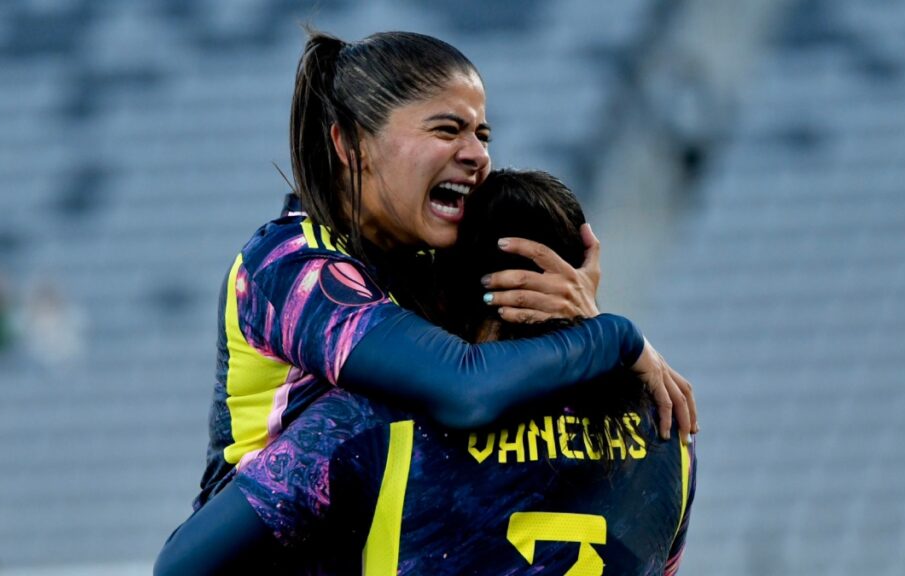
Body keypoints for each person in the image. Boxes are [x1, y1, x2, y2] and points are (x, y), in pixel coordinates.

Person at [195, 29, 697, 509]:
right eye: (447, 129)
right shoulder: (289, 269)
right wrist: (615, 339)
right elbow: (465, 389)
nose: (479, 155)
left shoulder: (434, 261)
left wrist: (576, 316)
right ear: (351, 145)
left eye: (483, 134)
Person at [156, 169, 697, 575]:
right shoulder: (669, 431)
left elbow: (181, 567)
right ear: (584, 281)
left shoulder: (366, 421)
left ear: (448, 289)